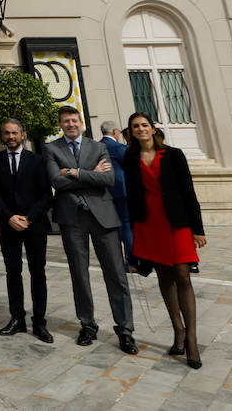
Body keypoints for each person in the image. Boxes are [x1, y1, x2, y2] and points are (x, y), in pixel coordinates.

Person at [44, 105, 137, 354]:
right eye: (66, 121)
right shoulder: (52, 149)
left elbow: (109, 179)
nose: (71, 124)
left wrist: (75, 173)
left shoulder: (99, 147)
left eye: (74, 120)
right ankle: (87, 324)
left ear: (81, 122)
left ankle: (125, 329)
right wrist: (89, 174)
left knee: (116, 275)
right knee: (79, 274)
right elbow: (56, 181)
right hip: (71, 219)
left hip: (103, 218)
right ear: (60, 125)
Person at [123, 111, 207, 368]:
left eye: (144, 125)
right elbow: (130, 195)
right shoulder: (129, 157)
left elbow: (188, 191)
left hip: (176, 221)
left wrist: (197, 228)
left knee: (182, 273)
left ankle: (191, 338)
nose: (140, 129)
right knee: (164, 276)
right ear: (131, 131)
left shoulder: (173, 155)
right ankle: (178, 331)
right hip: (148, 224)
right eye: (135, 126)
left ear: (153, 128)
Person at [0, 118, 53, 343]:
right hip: (8, 224)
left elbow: (46, 194)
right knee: (12, 273)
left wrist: (29, 218)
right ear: (2, 136)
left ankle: (40, 321)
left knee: (38, 273)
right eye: (7, 133)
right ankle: (17, 318)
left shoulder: (37, 160)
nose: (11, 137)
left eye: (15, 133)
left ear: (22, 135)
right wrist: (9, 216)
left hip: (34, 225)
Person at [100, 119, 133, 269]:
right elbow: (130, 165)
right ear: (115, 132)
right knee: (126, 225)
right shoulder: (118, 147)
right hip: (121, 191)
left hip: (104, 192)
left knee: (111, 228)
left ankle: (115, 261)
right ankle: (130, 261)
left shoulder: (96, 146)